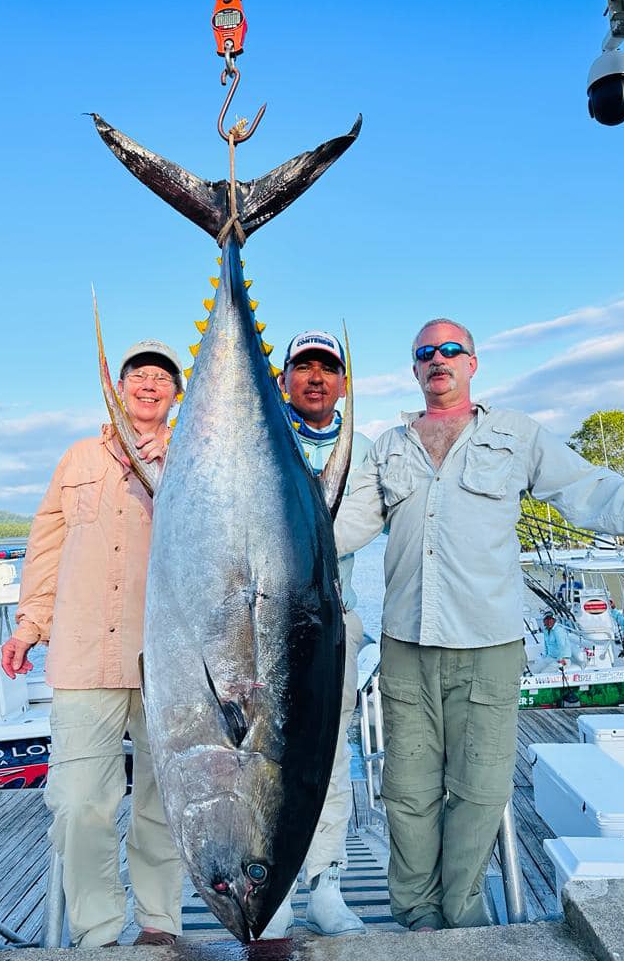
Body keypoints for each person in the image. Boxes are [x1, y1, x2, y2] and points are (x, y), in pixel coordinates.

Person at [333, 316, 624, 932]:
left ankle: (463, 917)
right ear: (415, 368)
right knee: (408, 792)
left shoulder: (515, 435)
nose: (438, 359)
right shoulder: (389, 447)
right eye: (426, 353)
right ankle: (417, 920)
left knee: (479, 792)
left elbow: (589, 489)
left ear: (472, 363)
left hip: (488, 645)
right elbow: (343, 526)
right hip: (405, 645)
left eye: (451, 350)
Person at [0, 340, 185, 949]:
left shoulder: (192, 457)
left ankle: (160, 926)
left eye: (162, 377)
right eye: (140, 375)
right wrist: (30, 626)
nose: (150, 385)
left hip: (170, 664)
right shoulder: (78, 456)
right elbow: (47, 548)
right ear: (117, 386)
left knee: (166, 807)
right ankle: (98, 934)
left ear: (177, 394)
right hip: (83, 658)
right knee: (80, 805)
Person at [262, 330, 372, 939]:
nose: (315, 377)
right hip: (254, 629)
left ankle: (326, 885)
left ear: (342, 383)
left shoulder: (364, 450)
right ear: (282, 380)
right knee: (260, 758)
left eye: (327, 368)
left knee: (330, 757)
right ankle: (271, 884)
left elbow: (363, 520)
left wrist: (292, 535)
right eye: (302, 367)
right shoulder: (251, 438)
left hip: (329, 627)